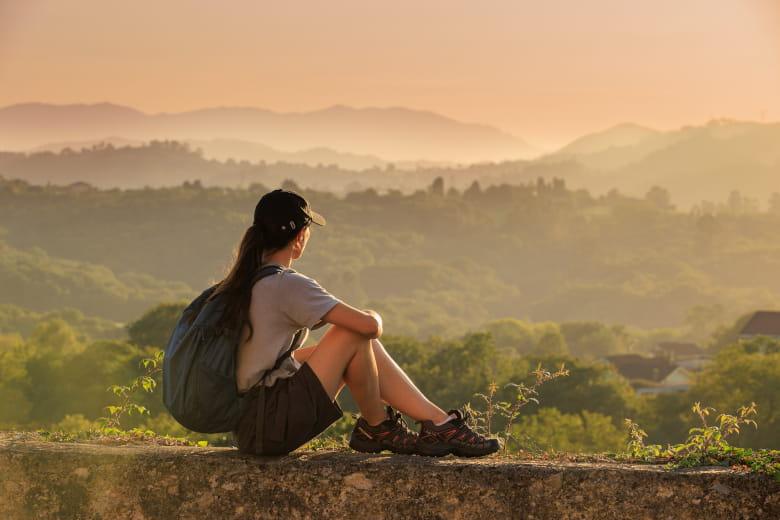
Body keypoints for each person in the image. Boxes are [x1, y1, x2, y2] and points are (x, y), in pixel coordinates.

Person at [223, 188, 499, 457]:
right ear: (299, 237)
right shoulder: (284, 284)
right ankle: (379, 426)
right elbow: (369, 327)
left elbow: (263, 363)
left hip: (252, 424)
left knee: (353, 344)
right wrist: (374, 314)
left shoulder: (242, 281)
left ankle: (437, 422)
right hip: (268, 424)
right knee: (352, 333)